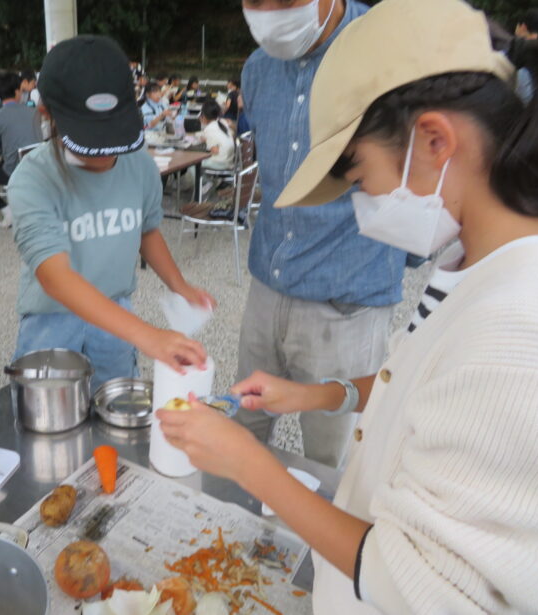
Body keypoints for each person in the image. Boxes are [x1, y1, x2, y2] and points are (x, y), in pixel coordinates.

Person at [159, 1, 538, 613]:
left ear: (435, 140)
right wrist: (315, 394)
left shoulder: (517, 331)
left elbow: (416, 585)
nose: (364, 207)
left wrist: (251, 464)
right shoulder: (471, 263)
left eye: (360, 177)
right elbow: (417, 385)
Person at [237, 0, 408, 469]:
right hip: (266, 289)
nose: (269, 12)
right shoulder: (257, 69)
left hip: (346, 304)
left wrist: (394, 259)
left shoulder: (388, 55)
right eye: (254, 1)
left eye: (286, 1)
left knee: (334, 462)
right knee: (242, 435)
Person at [7, 35, 213, 391]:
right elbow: (55, 278)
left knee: (115, 406)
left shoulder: (139, 167)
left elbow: (147, 232)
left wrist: (180, 286)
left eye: (112, 136)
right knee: (48, 417)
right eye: (91, 139)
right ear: (47, 114)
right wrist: (148, 336)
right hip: (51, 319)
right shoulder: (33, 178)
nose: (105, 155)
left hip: (116, 314)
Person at [0, 71, 42, 227]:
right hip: (37, 168)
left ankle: (7, 210)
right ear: (18, 91)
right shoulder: (34, 112)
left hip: (13, 171)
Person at [197, 100, 234, 171]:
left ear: (203, 116)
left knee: (193, 163)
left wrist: (206, 143)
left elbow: (215, 151)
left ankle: (204, 181)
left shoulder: (208, 129)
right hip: (229, 161)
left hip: (219, 163)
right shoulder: (223, 122)